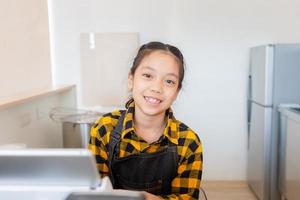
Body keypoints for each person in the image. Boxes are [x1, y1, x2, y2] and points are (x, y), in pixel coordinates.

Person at [89, 41, 203, 200]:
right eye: (148, 76)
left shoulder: (188, 142)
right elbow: (94, 193)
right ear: (131, 79)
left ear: (177, 92)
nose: (157, 88)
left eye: (169, 81)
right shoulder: (105, 128)